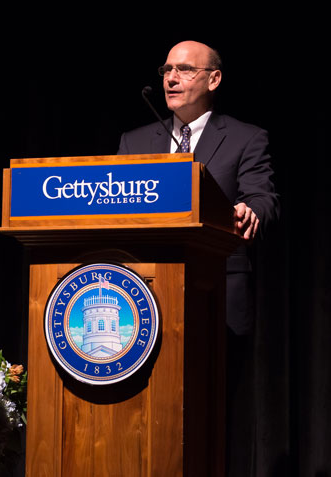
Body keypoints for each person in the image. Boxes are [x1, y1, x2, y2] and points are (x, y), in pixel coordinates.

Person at [118, 40, 280, 475]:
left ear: (214, 79)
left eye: (185, 70)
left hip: (216, 294)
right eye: (167, 69)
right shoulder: (134, 142)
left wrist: (251, 211)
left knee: (212, 414)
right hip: (141, 296)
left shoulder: (246, 137)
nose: (171, 78)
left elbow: (263, 197)